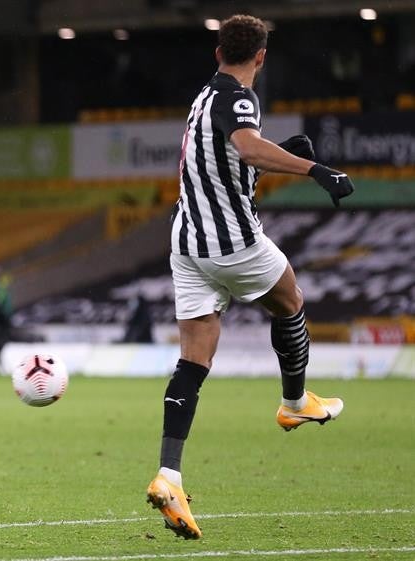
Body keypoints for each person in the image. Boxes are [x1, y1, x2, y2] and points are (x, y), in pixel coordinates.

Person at [146, 15, 355, 540]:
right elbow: (246, 146)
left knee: (193, 359)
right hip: (231, 239)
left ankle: (169, 474)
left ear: (218, 51)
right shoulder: (240, 98)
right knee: (290, 299)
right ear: (260, 57)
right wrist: (316, 169)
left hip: (186, 240)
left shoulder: (202, 98)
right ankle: (294, 403)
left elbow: (225, 161)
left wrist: (278, 157)